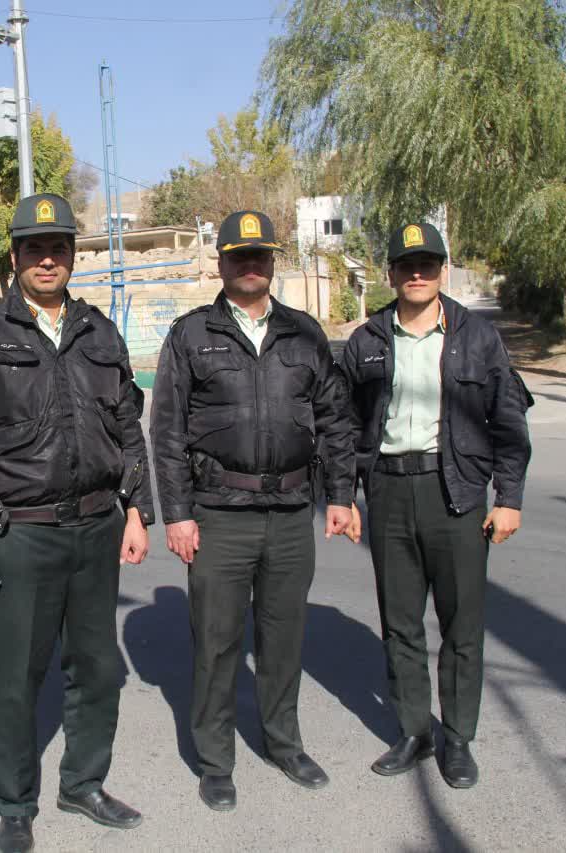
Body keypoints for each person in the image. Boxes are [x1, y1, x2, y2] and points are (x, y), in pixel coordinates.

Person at [0, 193, 155, 853]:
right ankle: (14, 802)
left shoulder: (99, 333)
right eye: (35, 248)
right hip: (20, 534)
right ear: (15, 256)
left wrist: (137, 508)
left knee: (97, 668)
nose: (48, 258)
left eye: (58, 247)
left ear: (73, 256)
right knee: (14, 677)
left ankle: (83, 783)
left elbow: (128, 428)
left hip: (97, 527)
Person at [150, 210, 355, 811]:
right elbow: (167, 431)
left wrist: (341, 494)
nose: (250, 264)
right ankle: (216, 761)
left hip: (291, 512)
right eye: (239, 255)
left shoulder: (304, 333)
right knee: (216, 644)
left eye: (259, 254)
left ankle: (284, 743)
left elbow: (335, 418)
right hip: (219, 514)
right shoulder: (191, 334)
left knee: (283, 638)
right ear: (221, 263)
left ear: (272, 262)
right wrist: (178, 514)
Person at [340, 222, 532, 789]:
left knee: (461, 625)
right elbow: (344, 424)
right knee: (399, 623)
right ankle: (414, 732)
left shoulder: (478, 337)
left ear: (443, 271)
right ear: (391, 273)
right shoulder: (367, 339)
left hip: (458, 493)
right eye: (406, 265)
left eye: (427, 264)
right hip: (389, 490)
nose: (417, 274)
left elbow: (509, 423)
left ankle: (459, 739)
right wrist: (344, 495)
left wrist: (509, 499)